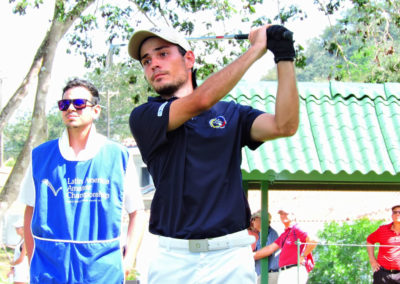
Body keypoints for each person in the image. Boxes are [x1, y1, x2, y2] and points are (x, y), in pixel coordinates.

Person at [127, 24, 299, 284]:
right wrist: (255, 50)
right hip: (172, 257)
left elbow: (285, 125)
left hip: (230, 255)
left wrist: (284, 56)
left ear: (189, 59)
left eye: (163, 54)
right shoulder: (144, 116)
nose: (153, 64)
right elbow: (200, 101)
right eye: (146, 60)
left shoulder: (230, 114)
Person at [19, 78, 146, 284]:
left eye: (79, 103)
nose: (70, 108)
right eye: (64, 104)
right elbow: (30, 211)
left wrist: (128, 262)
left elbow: (137, 213)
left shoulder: (118, 156)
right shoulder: (40, 157)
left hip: (102, 272)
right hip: (49, 272)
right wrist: (32, 258)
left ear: (96, 110)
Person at [253, 208, 317, 284]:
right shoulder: (285, 234)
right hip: (284, 271)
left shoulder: (297, 228)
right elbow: (269, 248)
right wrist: (248, 256)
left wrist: (303, 255)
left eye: (286, 214)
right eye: (281, 214)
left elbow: (313, 240)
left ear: (293, 216)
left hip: (294, 269)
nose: (283, 216)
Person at [367, 204, 400, 283]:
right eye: (395, 212)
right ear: (392, 216)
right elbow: (370, 240)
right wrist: (372, 259)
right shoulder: (383, 229)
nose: (397, 214)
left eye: (399, 212)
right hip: (382, 274)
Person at [252, 211, 280, 284]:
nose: (252, 221)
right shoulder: (261, 234)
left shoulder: (271, 233)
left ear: (261, 220)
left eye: (254, 219)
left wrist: (249, 256)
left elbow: (267, 251)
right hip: (262, 275)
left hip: (269, 275)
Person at [7, 218, 29, 284]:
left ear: (23, 228)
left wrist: (12, 263)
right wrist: (13, 268)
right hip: (18, 271)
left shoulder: (25, 242)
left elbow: (21, 259)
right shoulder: (21, 240)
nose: (15, 229)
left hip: (22, 272)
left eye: (17, 228)